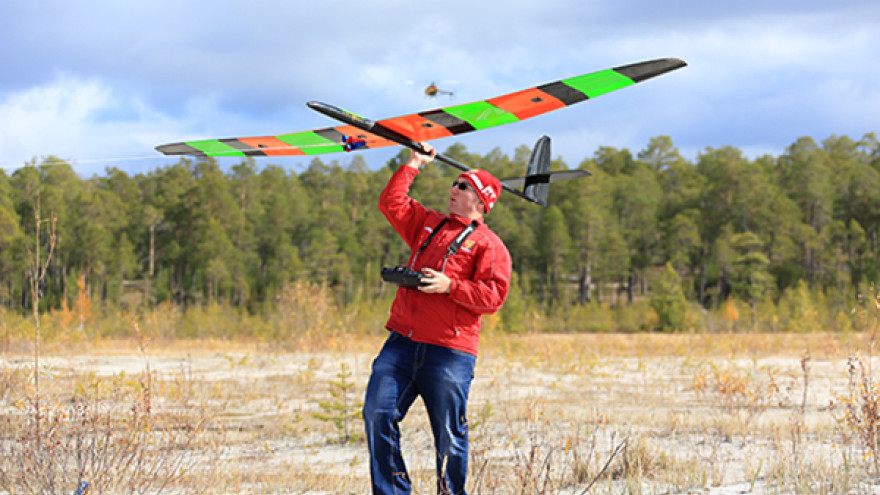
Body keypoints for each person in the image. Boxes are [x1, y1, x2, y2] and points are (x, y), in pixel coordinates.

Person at [363, 143, 512, 495]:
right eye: (454, 184)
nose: (453, 190)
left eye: (463, 187)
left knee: (449, 436)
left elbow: (493, 297)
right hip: (401, 344)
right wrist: (414, 163)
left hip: (449, 353)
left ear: (481, 201)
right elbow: (392, 203)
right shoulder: (428, 224)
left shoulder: (490, 245)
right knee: (377, 414)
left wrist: (450, 286)